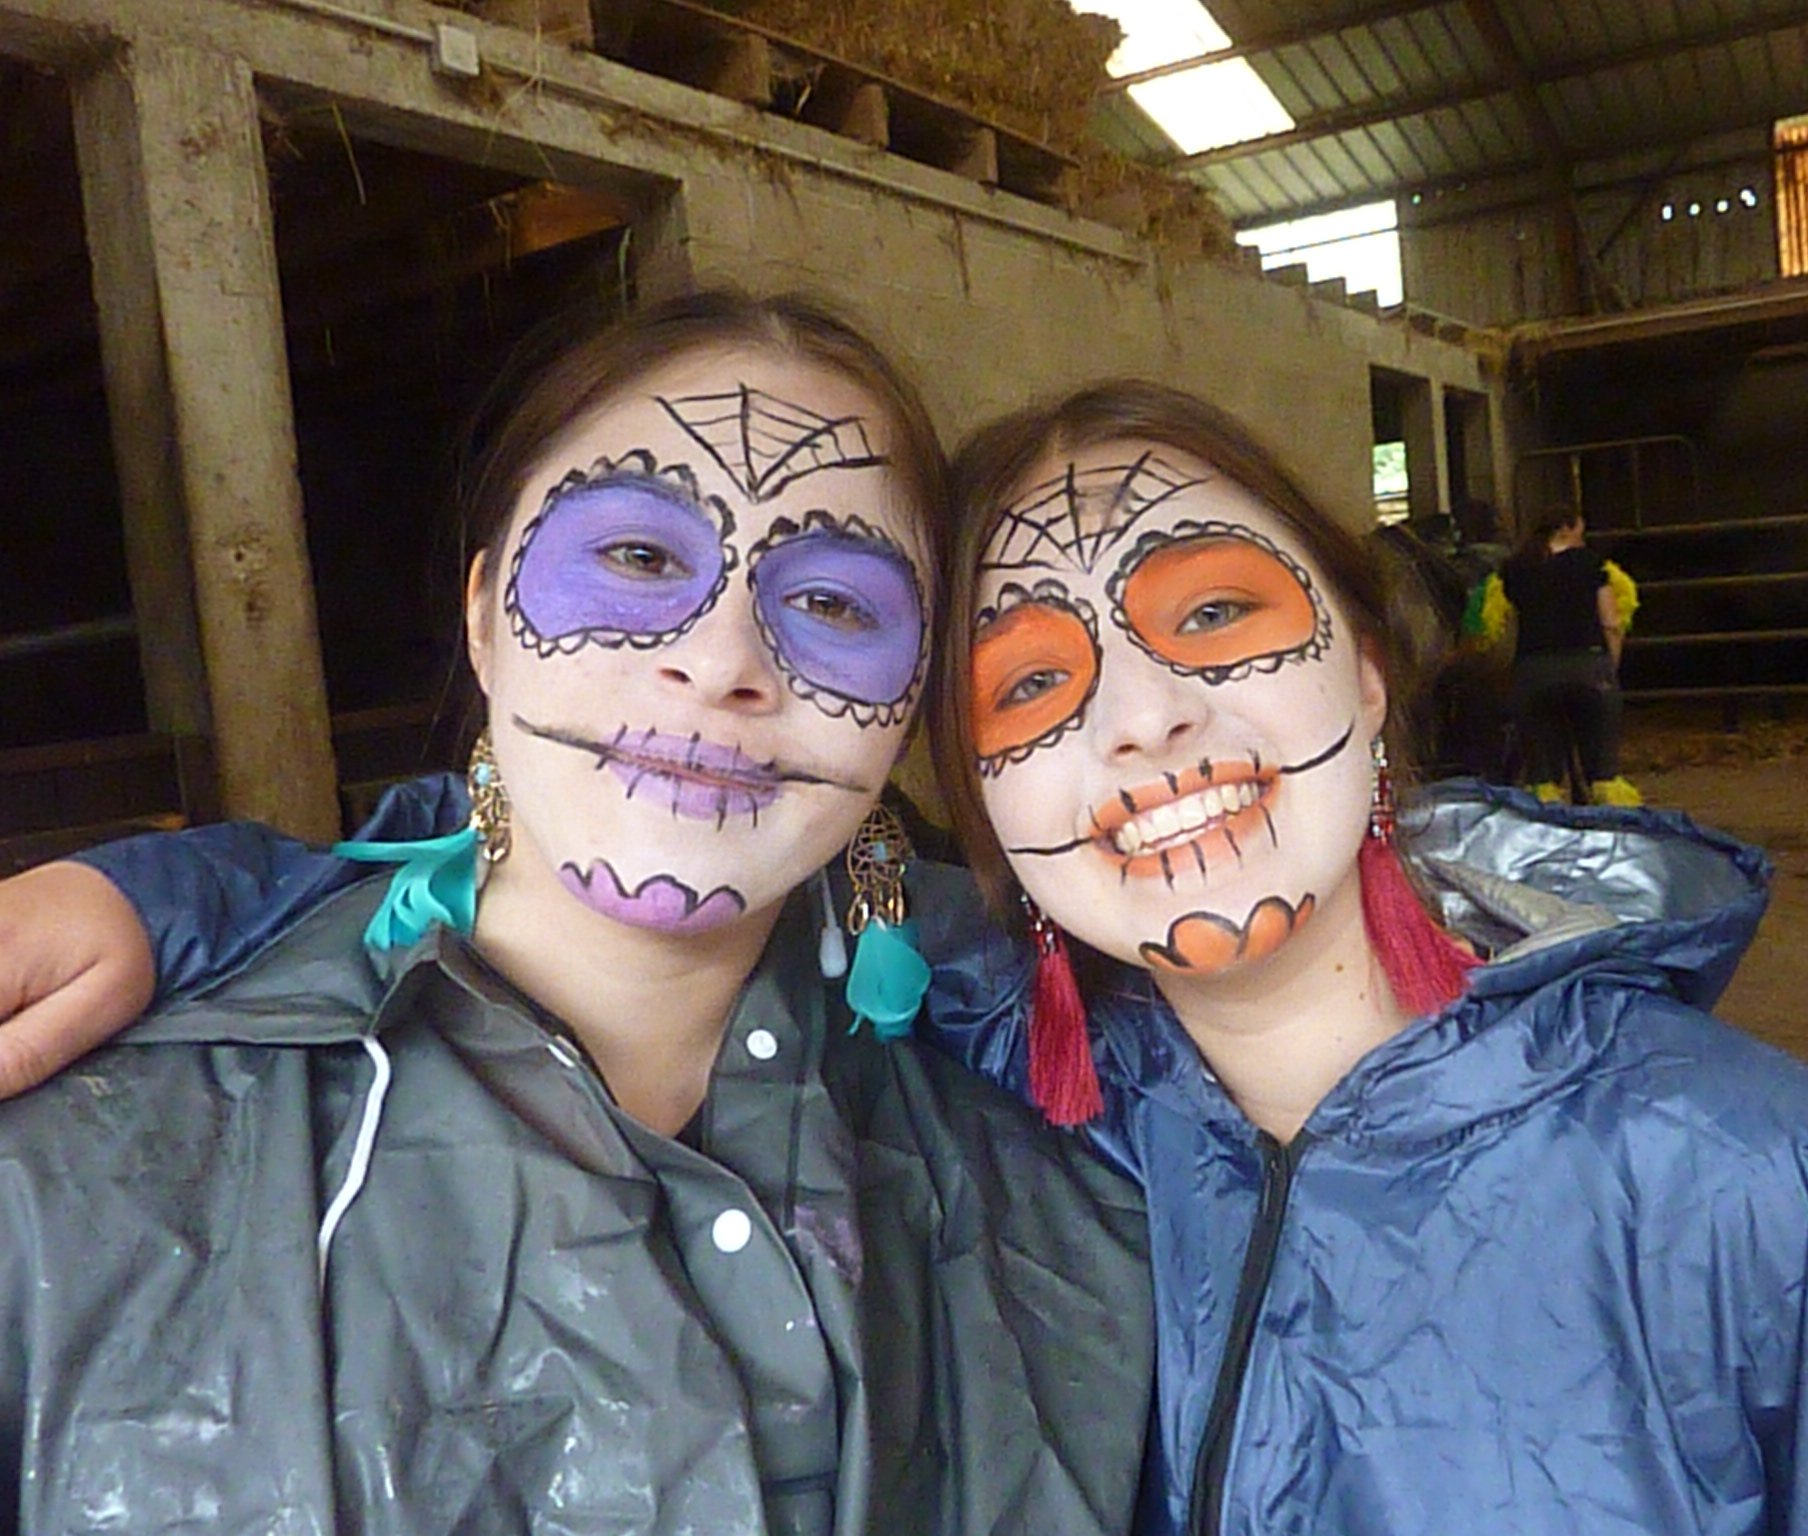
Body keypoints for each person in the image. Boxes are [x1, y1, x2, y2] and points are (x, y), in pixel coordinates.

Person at [7, 383, 1808, 1535]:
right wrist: (192, 896)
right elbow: (630, 846)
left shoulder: (1756, 1185)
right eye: (1034, 681)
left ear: (1365, 660)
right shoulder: (980, 1098)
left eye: (1216, 618)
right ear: (969, 791)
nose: (1143, 725)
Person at [0, 292, 1155, 1535]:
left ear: (913, 695)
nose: (721, 661)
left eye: (832, 604)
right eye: (640, 557)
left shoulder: (1065, 1153)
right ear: (484, 616)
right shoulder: (76, 1164)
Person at [1471, 504, 1640, 805]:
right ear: (1566, 528)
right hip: (1588, 667)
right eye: (1580, 532)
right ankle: (1610, 815)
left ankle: (1546, 813)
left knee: (1541, 776)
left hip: (1534, 673)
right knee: (1603, 772)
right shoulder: (1592, 564)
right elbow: (1611, 623)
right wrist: (1609, 667)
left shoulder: (1513, 569)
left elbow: (1496, 626)